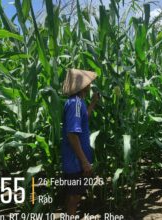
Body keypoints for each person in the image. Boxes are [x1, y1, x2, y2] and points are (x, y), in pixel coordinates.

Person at [61, 68, 100, 215]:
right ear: (83, 86)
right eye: (88, 83)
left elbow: (83, 119)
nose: (90, 86)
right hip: (75, 161)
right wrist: (84, 161)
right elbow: (72, 134)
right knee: (74, 196)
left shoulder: (77, 102)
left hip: (76, 160)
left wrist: (93, 103)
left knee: (74, 195)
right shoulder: (75, 104)